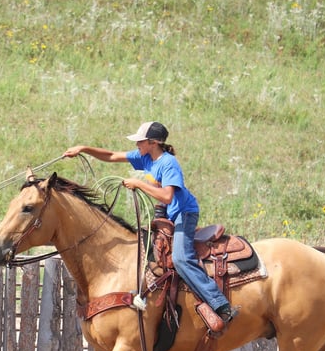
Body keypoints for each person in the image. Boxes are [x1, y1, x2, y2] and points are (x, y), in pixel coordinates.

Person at [63, 121, 237, 335]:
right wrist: (83, 149)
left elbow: (167, 195)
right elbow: (111, 156)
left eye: (140, 140)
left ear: (153, 143)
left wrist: (139, 184)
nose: (137, 144)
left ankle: (220, 304)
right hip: (169, 215)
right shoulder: (146, 158)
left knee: (182, 259)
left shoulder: (168, 163)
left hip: (184, 214)